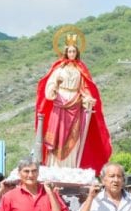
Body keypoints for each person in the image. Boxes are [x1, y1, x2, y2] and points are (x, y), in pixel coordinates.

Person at [35, 32, 111, 172]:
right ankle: (55, 166)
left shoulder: (80, 70)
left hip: (75, 104)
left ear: (77, 53)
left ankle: (69, 166)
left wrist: (88, 98)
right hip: (59, 102)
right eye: (69, 51)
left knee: (73, 135)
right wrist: (55, 87)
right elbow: (50, 87)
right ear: (65, 52)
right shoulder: (59, 69)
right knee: (58, 135)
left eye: (74, 51)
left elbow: (85, 88)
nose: (71, 53)